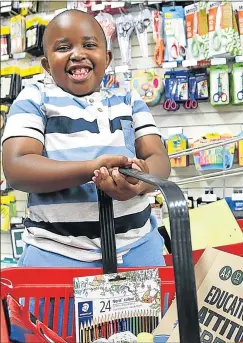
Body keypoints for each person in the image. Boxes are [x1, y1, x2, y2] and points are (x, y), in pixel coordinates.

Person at [2, 9, 171, 268]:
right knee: (52, 312)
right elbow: (17, 167)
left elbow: (158, 158)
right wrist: (91, 170)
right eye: (63, 47)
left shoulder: (129, 99)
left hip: (137, 248)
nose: (78, 53)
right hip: (56, 254)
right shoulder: (35, 99)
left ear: (107, 57)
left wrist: (141, 182)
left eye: (89, 45)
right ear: (47, 65)